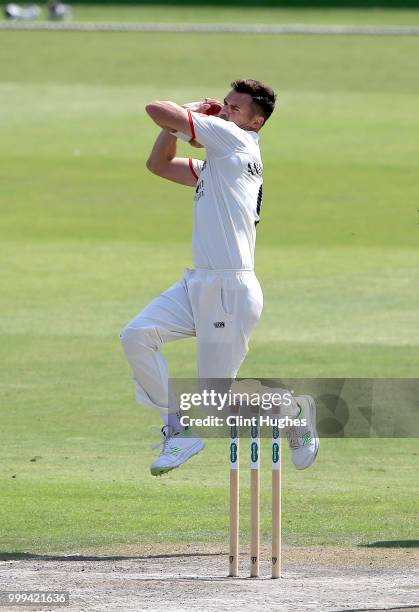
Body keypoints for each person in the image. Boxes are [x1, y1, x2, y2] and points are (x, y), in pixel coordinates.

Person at [120, 79, 319, 476]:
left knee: (216, 401)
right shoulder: (222, 163)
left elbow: (156, 107)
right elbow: (158, 166)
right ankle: (177, 431)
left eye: (234, 108)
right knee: (136, 336)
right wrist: (176, 128)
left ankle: (292, 410)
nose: (224, 111)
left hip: (230, 289)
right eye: (223, 105)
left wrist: (191, 110)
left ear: (255, 122)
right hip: (199, 284)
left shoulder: (234, 140)